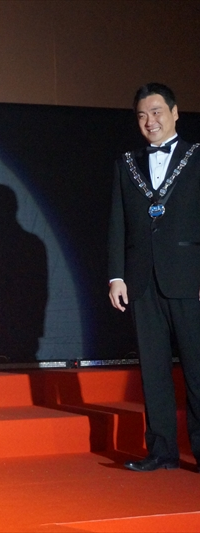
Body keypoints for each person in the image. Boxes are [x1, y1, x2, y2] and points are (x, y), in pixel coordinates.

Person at [108, 83, 200, 472]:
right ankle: (161, 450)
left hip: (189, 279)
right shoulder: (126, 163)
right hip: (142, 281)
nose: (151, 121)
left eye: (157, 112)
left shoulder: (197, 157)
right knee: (153, 369)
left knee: (197, 368)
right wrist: (116, 277)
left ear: (175, 113)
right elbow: (117, 222)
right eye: (143, 115)